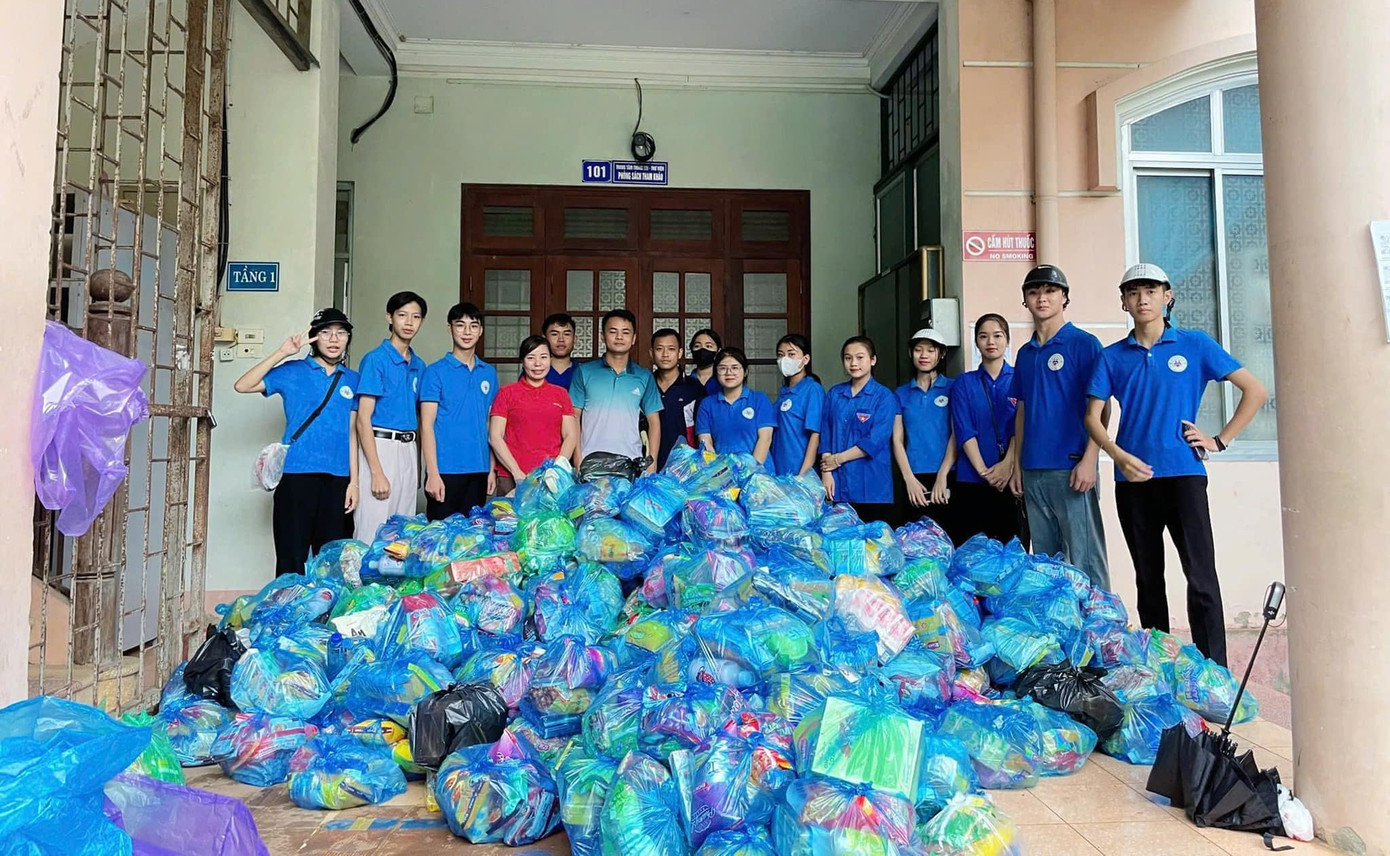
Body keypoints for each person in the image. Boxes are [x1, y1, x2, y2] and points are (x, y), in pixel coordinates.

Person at [1085, 264, 1268, 666]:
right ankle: (1159, 669)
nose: (1142, 299)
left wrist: (1219, 439)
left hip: (1184, 476)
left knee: (1201, 578)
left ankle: (1212, 669)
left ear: (1167, 296)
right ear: (1123, 302)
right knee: (1149, 580)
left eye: (1150, 291)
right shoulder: (1112, 357)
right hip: (1133, 482)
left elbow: (1255, 390)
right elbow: (1091, 418)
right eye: (1133, 293)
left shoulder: (1195, 344)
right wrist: (1117, 455)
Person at [234, 308, 360, 577]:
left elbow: (352, 434)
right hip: (296, 476)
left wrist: (354, 483)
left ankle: (326, 618)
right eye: (326, 332)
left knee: (334, 562)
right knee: (292, 557)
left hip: (338, 480)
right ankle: (288, 616)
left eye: (341, 333)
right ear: (313, 337)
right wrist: (283, 353)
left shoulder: (353, 380)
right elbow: (243, 385)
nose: (334, 339)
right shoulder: (293, 371)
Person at [1009, 264, 1111, 588]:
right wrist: (1016, 465)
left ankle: (1100, 631)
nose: (1042, 298)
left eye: (1050, 291)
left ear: (1064, 297)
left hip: (1072, 470)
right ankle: (1060, 632)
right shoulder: (1026, 354)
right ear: (1025, 300)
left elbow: (1102, 407)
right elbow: (1022, 411)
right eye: (1034, 292)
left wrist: (1090, 459)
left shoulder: (1085, 344)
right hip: (1033, 471)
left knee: (1086, 562)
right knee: (1046, 567)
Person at [354, 291, 427, 541]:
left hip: (408, 448)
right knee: (372, 526)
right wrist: (376, 471)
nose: (409, 322)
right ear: (390, 317)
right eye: (402, 315)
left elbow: (417, 416)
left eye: (415, 317)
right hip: (380, 447)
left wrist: (417, 465)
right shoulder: (375, 360)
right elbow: (363, 418)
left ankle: (392, 582)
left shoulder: (419, 365)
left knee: (403, 529)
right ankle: (362, 581)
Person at [950, 314, 1027, 546]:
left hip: (1012, 479)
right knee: (972, 555)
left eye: (997, 335)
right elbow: (964, 430)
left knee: (1012, 553)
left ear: (1007, 340)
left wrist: (1008, 465)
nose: (990, 341)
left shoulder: (1020, 378)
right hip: (972, 480)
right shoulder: (964, 382)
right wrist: (985, 472)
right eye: (983, 336)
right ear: (976, 342)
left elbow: (1021, 426)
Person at [419, 302, 498, 520]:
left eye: (473, 326)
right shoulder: (435, 372)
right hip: (446, 470)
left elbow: (490, 424)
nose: (467, 332)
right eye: (460, 325)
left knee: (472, 540)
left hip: (479, 469)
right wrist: (432, 473)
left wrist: (491, 469)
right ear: (450, 329)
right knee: (440, 540)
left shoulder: (489, 373)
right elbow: (426, 425)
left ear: (481, 330)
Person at [569, 309, 663, 472]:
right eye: (613, 331)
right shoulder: (584, 372)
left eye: (625, 332)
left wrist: (651, 463)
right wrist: (577, 458)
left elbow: (654, 421)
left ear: (633, 338)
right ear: (602, 336)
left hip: (631, 463)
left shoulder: (644, 376)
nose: (619, 337)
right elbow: (574, 416)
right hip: (590, 462)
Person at [820, 336, 900, 525]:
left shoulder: (884, 397)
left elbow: (875, 440)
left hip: (872, 486)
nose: (853, 363)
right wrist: (826, 472)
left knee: (874, 547)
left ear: (873, 360)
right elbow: (826, 434)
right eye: (848, 358)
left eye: (860, 357)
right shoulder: (834, 394)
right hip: (838, 482)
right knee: (842, 545)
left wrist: (837, 460)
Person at [490, 335, 578, 495]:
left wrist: (556, 470)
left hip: (550, 479)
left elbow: (571, 435)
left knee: (550, 520)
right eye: (531, 358)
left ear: (550, 359)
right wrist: (516, 473)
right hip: (512, 476)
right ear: (522, 362)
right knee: (510, 519)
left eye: (543, 357)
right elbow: (495, 436)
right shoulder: (507, 392)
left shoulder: (560, 394)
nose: (538, 364)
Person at [892, 326, 957, 531]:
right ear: (911, 353)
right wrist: (909, 479)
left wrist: (942, 476)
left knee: (948, 538)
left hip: (948, 474)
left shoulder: (953, 388)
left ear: (942, 354)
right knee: (915, 540)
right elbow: (897, 440)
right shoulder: (901, 393)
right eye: (919, 349)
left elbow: (957, 435)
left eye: (930, 350)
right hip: (914, 475)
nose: (924, 355)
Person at [695, 346, 776, 462]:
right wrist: (718, 472)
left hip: (759, 474)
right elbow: (705, 442)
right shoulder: (707, 404)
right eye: (722, 368)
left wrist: (750, 470)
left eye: (735, 368)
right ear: (716, 372)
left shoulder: (759, 399)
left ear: (745, 372)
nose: (729, 373)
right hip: (722, 474)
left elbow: (765, 438)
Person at [769, 333, 825, 477]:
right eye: (781, 355)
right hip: (779, 470)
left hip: (799, 471)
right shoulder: (783, 392)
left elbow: (815, 435)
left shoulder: (812, 389)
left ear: (805, 359)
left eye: (791, 354)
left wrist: (803, 475)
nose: (784, 359)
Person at [650, 327, 705, 468]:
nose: (665, 354)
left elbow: (702, 431)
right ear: (651, 353)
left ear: (680, 352)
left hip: (685, 465)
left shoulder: (694, 388)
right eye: (659, 349)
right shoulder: (645, 385)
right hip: (649, 464)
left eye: (671, 349)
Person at [543, 313, 579, 390]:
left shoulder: (583, 372)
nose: (561, 339)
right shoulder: (535, 371)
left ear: (574, 339)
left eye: (566, 334)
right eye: (554, 334)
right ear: (544, 339)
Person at [688, 328, 722, 397]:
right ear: (691, 349)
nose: (702, 349)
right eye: (697, 346)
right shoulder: (684, 382)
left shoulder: (723, 382)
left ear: (718, 351)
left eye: (708, 346)